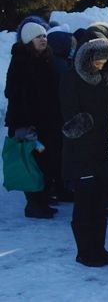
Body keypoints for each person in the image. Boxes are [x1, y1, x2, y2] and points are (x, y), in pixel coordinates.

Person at [59, 37, 108, 267]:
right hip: (82, 151)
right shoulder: (71, 78)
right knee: (85, 204)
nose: (101, 63)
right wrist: (95, 124)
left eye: (106, 58)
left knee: (100, 203)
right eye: (98, 58)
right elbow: (71, 118)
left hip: (103, 150)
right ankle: (85, 251)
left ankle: (99, 248)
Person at [5, 17, 63, 218]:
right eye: (38, 37)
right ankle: (34, 204)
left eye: (45, 36)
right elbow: (14, 94)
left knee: (47, 161)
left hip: (48, 122)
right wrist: (25, 123)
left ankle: (43, 199)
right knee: (32, 164)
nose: (43, 39)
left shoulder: (47, 59)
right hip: (29, 124)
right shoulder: (21, 60)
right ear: (29, 39)